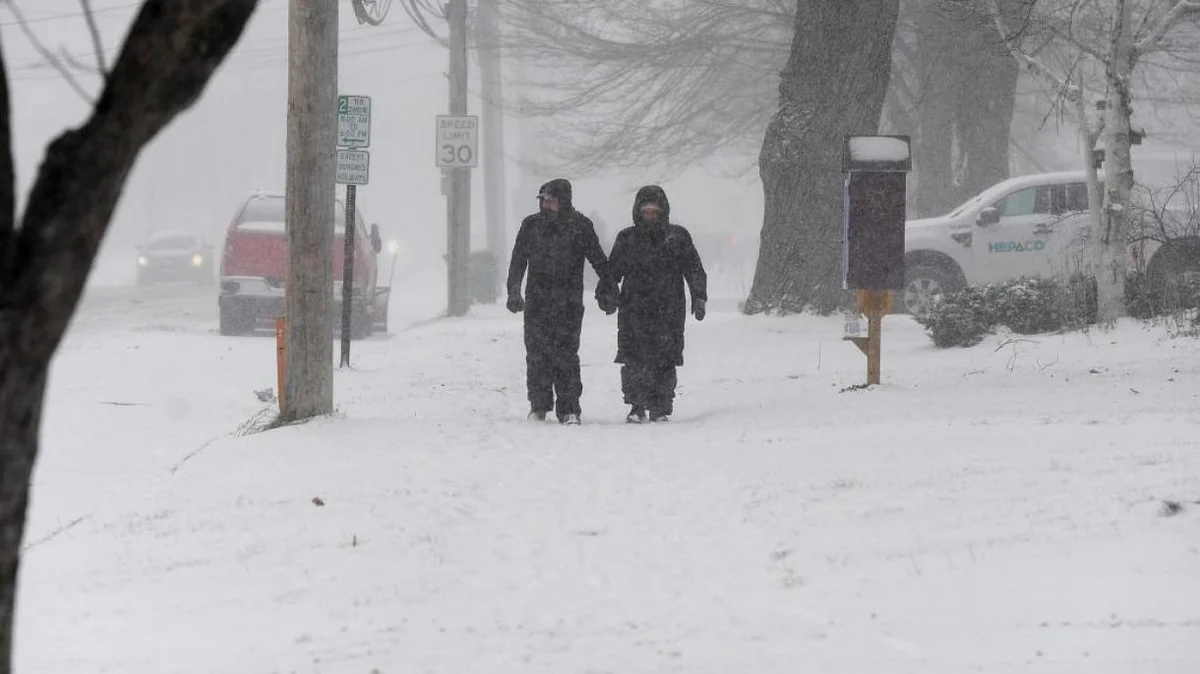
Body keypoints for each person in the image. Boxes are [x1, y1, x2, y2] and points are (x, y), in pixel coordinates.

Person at [599, 185, 707, 423]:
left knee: (665, 358)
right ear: (638, 212)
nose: (649, 216)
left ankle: (660, 406)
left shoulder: (677, 237)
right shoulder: (627, 238)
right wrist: (606, 294)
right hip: (634, 308)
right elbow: (612, 271)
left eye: (654, 212)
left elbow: (694, 268)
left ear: (662, 212)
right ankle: (636, 405)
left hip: (668, 308)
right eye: (645, 211)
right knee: (633, 359)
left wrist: (699, 296)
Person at [507, 178, 610, 425]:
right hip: (537, 302)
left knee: (566, 355)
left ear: (563, 200)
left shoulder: (580, 226)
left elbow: (598, 259)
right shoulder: (531, 226)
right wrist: (513, 291)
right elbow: (518, 261)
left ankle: (569, 408)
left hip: (568, 302)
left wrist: (608, 286)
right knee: (537, 355)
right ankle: (539, 405)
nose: (546, 205)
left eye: (551, 200)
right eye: (543, 200)